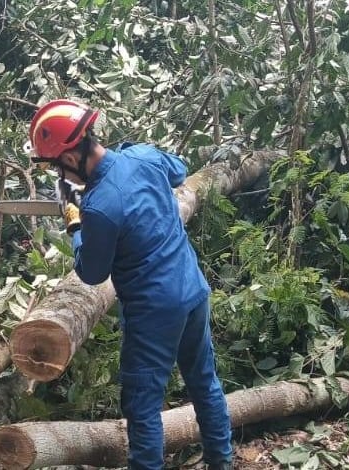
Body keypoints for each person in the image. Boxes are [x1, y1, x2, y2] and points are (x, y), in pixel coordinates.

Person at [24, 98, 235, 470]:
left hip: (154, 310)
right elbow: (179, 170)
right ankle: (222, 462)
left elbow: (92, 272)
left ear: (71, 158)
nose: (63, 178)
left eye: (60, 169)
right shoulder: (141, 155)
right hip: (191, 289)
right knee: (204, 382)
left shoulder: (101, 206)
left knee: (143, 406)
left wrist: (75, 225)